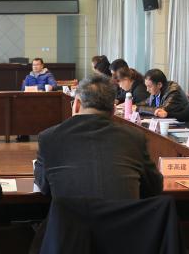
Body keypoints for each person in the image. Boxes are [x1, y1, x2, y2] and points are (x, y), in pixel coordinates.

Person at [34, 74, 163, 200]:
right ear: (113, 110)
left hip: (70, 215)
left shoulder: (49, 138)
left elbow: (44, 187)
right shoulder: (134, 138)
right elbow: (154, 187)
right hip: (123, 214)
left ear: (77, 104)